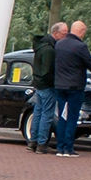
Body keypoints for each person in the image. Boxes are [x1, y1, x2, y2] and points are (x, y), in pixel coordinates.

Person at [52, 19, 91, 157]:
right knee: (72, 117)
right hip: (74, 86)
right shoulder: (80, 47)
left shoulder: (59, 44)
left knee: (62, 116)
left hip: (60, 86)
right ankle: (68, 148)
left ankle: (60, 147)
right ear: (81, 31)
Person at [30, 22, 65, 152]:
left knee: (38, 112)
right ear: (55, 33)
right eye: (63, 33)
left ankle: (33, 141)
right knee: (47, 114)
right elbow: (48, 70)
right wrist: (54, 82)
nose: (65, 36)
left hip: (39, 84)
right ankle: (42, 143)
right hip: (47, 85)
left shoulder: (41, 46)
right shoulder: (50, 50)